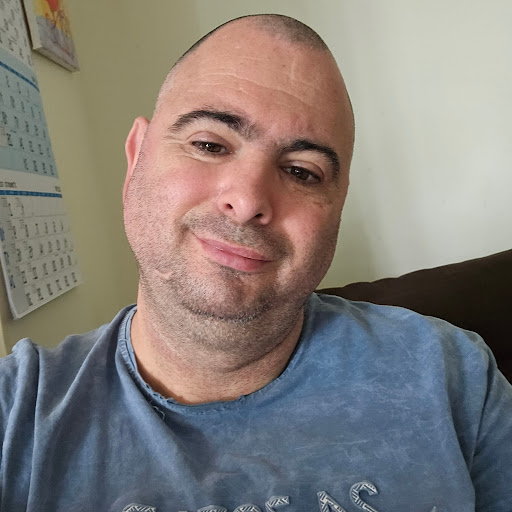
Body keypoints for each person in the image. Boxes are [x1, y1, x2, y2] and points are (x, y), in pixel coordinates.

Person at [0, 14, 511, 512]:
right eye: (209, 144)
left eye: (302, 172)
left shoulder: (454, 378)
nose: (247, 201)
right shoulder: (16, 415)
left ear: (337, 206)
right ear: (136, 158)